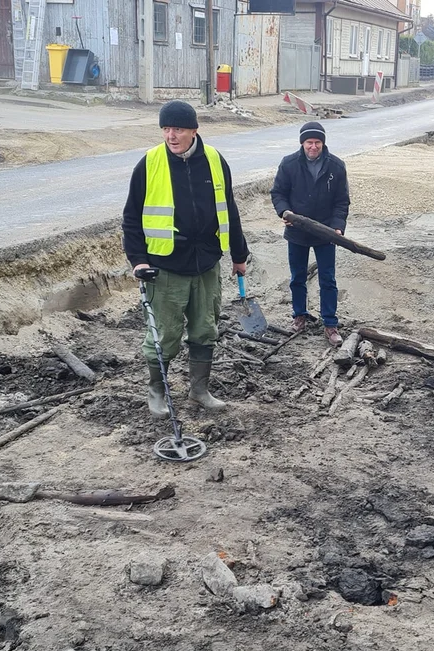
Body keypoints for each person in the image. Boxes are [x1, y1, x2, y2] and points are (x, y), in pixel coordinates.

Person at [122, 100, 250, 417]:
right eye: (166, 129)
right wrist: (138, 260)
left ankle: (199, 390)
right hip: (165, 265)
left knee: (205, 328)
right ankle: (157, 393)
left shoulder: (215, 161)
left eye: (177, 129)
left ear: (194, 130)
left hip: (206, 262)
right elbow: (131, 219)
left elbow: (229, 210)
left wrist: (238, 254)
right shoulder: (149, 164)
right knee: (164, 334)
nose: (171, 135)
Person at [270, 121, 351, 347]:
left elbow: (342, 201)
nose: (313, 147)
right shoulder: (289, 164)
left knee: (328, 279)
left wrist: (337, 227)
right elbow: (278, 193)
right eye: (309, 142)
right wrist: (284, 211)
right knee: (297, 277)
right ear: (302, 143)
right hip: (297, 230)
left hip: (326, 233)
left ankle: (330, 323)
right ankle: (299, 316)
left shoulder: (336, 166)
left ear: (323, 143)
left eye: (317, 142)